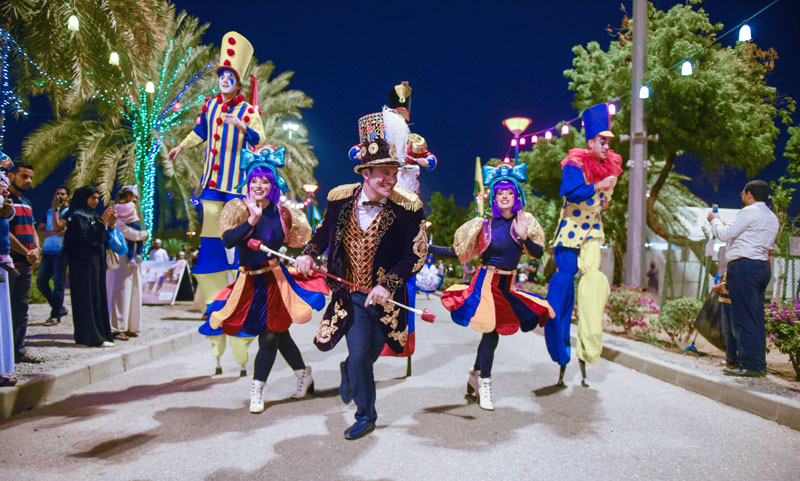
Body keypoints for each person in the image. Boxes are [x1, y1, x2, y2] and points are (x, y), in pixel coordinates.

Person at [296, 107, 428, 440]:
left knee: (370, 354)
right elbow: (322, 235)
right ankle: (366, 415)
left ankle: (350, 370)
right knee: (359, 355)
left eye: (394, 173)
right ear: (365, 172)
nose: (391, 180)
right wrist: (309, 254)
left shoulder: (408, 208)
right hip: (350, 296)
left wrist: (388, 285)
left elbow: (414, 255)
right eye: (383, 173)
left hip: (387, 300)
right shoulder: (339, 200)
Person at [208, 146, 324, 413]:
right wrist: (252, 220)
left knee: (270, 336)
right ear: (248, 182)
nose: (259, 186)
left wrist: (305, 258)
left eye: (265, 181)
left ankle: (257, 390)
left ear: (273, 185)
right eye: (254, 180)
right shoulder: (238, 208)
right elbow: (228, 241)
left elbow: (303, 242)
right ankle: (303, 374)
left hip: (274, 281)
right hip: (248, 284)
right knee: (280, 335)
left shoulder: (283, 213)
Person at [431, 160, 553, 410]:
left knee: (492, 333)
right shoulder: (484, 226)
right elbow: (458, 252)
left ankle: (475, 376)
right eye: (500, 193)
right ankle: (485, 383)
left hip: (508, 287)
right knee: (491, 333)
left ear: (516, 196)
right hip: (486, 284)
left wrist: (523, 237)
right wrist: (427, 247)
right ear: (494, 198)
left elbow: (538, 253)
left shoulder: (524, 222)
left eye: (509, 192)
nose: (504, 196)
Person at [168, 31, 265, 308]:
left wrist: (242, 126)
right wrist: (181, 147)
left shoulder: (248, 111)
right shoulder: (209, 106)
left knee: (237, 238)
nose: (224, 80)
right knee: (211, 239)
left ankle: (239, 297)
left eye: (230, 76)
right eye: (222, 76)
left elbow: (260, 139)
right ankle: (213, 299)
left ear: (238, 82)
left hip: (235, 185)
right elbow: (200, 131)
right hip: (211, 183)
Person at [544, 103, 623, 388]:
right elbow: (572, 194)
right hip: (569, 231)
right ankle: (561, 354)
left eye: (608, 142)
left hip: (593, 231)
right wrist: (598, 186)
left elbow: (604, 203)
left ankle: (588, 349)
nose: (606, 146)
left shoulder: (610, 166)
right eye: (602, 141)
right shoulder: (574, 162)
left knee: (593, 280)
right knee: (564, 284)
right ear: (590, 142)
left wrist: (604, 193)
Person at [708, 180, 779, 377]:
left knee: (743, 317)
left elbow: (724, 235)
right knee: (755, 318)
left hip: (744, 267)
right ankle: (757, 363)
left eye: (743, 193)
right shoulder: (771, 216)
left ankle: (750, 365)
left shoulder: (749, 212)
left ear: (748, 194)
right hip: (761, 267)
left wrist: (714, 220)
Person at [63, 186, 117, 348]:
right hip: (83, 265)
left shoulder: (91, 215)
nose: (96, 201)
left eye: (97, 198)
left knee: (97, 297)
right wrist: (101, 222)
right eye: (93, 198)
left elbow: (101, 238)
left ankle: (101, 334)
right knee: (85, 298)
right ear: (84, 198)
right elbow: (84, 237)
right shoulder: (76, 217)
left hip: (95, 264)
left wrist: (110, 225)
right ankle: (89, 337)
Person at [6, 161, 42, 363]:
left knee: (21, 310)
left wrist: (36, 249)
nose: (28, 180)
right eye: (24, 176)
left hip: (26, 264)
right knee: (6, 310)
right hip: (10, 264)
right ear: (11, 176)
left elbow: (32, 229)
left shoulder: (27, 202)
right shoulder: (5, 202)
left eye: (30, 177)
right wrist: (26, 252)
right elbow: (4, 232)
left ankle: (18, 351)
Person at [106, 187, 149, 341]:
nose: (135, 200)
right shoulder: (115, 215)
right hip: (120, 259)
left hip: (132, 261)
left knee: (134, 290)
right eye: (134, 197)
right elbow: (127, 232)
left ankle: (131, 326)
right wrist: (144, 234)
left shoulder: (132, 215)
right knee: (121, 291)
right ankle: (118, 327)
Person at [36, 186, 70, 326]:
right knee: (41, 282)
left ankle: (55, 315)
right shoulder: (48, 212)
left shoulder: (69, 212)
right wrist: (54, 232)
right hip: (47, 251)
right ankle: (59, 307)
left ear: (67, 197)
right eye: (57, 194)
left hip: (60, 252)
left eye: (62, 194)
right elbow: (40, 231)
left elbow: (58, 227)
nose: (59, 196)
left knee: (58, 285)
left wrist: (57, 209)